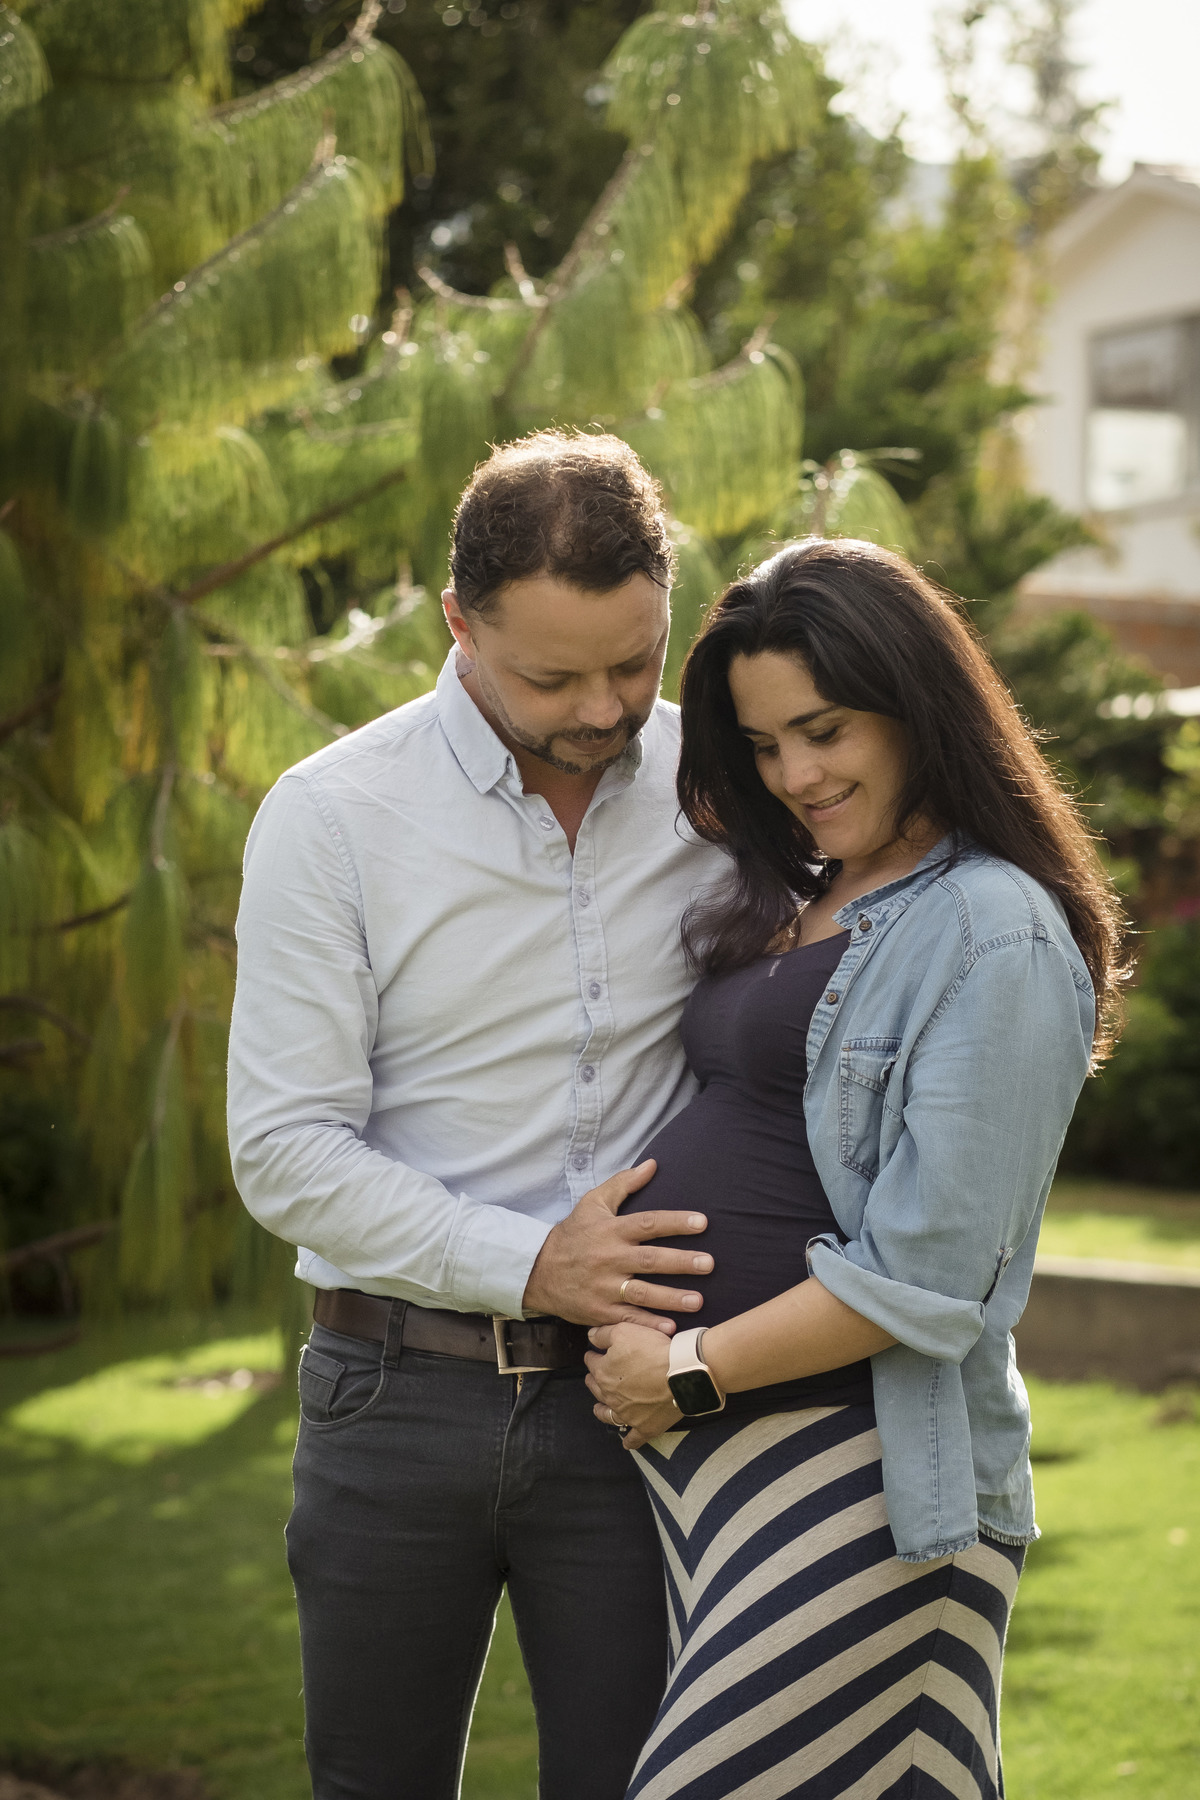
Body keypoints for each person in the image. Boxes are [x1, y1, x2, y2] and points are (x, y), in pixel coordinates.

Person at [226, 430, 730, 1800]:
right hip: (391, 1398)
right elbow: (284, 1151)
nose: (602, 706)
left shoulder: (720, 794)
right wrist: (529, 1262)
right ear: (459, 625)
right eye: (551, 675)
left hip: (637, 1407)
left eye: (635, 661)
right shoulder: (331, 818)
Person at [585, 537, 1125, 1800]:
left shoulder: (994, 926)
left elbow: (930, 1276)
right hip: (721, 1473)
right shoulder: (819, 889)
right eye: (766, 746)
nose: (797, 774)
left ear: (914, 703)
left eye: (824, 730)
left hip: (862, 1468)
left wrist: (688, 1366)